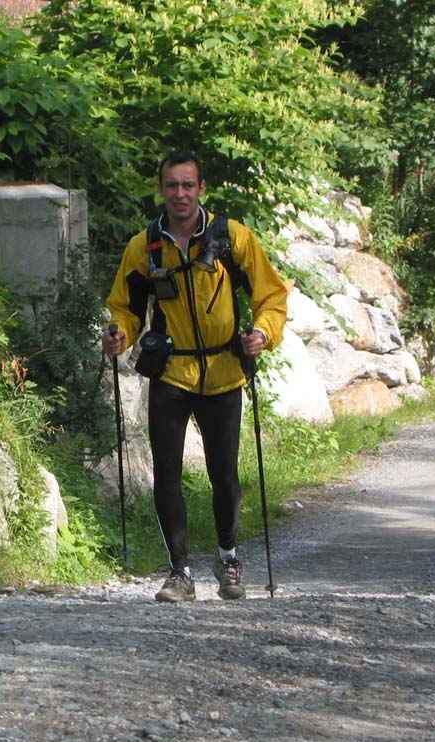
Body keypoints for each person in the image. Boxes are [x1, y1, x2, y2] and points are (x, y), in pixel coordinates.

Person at [103, 150, 288, 603]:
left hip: (224, 374)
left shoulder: (232, 238)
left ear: (201, 189)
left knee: (223, 475)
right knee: (166, 474)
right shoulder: (145, 246)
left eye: (188, 185)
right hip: (171, 372)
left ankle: (229, 558)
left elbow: (271, 295)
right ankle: (179, 572)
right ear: (161, 190)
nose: (180, 194)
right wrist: (119, 334)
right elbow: (125, 307)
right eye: (172, 185)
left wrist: (263, 334)